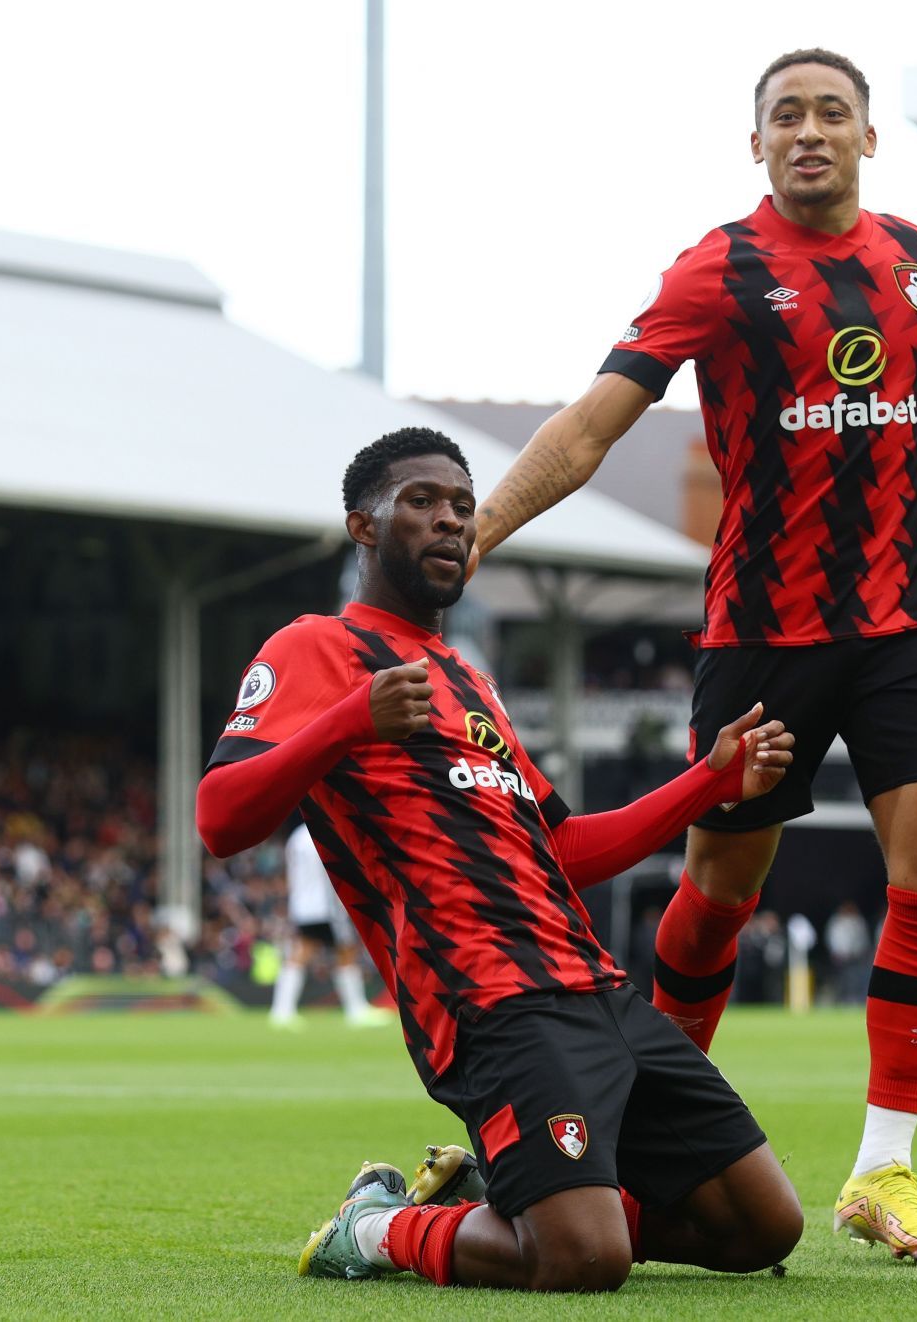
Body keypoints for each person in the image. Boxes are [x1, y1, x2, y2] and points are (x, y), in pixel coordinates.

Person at [467, 47, 917, 1260]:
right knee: (720, 890)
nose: (810, 131)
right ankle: (633, 1132)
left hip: (909, 622)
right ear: (757, 143)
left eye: (833, 113)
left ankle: (884, 1166)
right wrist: (482, 530)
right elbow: (588, 425)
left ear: (870, 138)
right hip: (762, 634)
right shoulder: (717, 271)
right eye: (786, 116)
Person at [195, 428, 806, 1291]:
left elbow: (563, 849)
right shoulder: (313, 648)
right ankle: (377, 1227)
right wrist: (347, 723)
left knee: (764, 1226)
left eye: (462, 507)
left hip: (594, 986)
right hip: (487, 997)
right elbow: (218, 818)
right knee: (585, 1259)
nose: (450, 521)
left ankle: (507, 1197)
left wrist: (708, 782)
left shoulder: (470, 683)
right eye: (421, 503)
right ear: (362, 528)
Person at [268, 820, 390, 1028]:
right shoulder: (324, 831)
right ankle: (355, 1009)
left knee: (302, 952)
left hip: (302, 904)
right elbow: (333, 871)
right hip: (327, 905)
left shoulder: (297, 837)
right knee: (346, 951)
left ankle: (282, 1009)